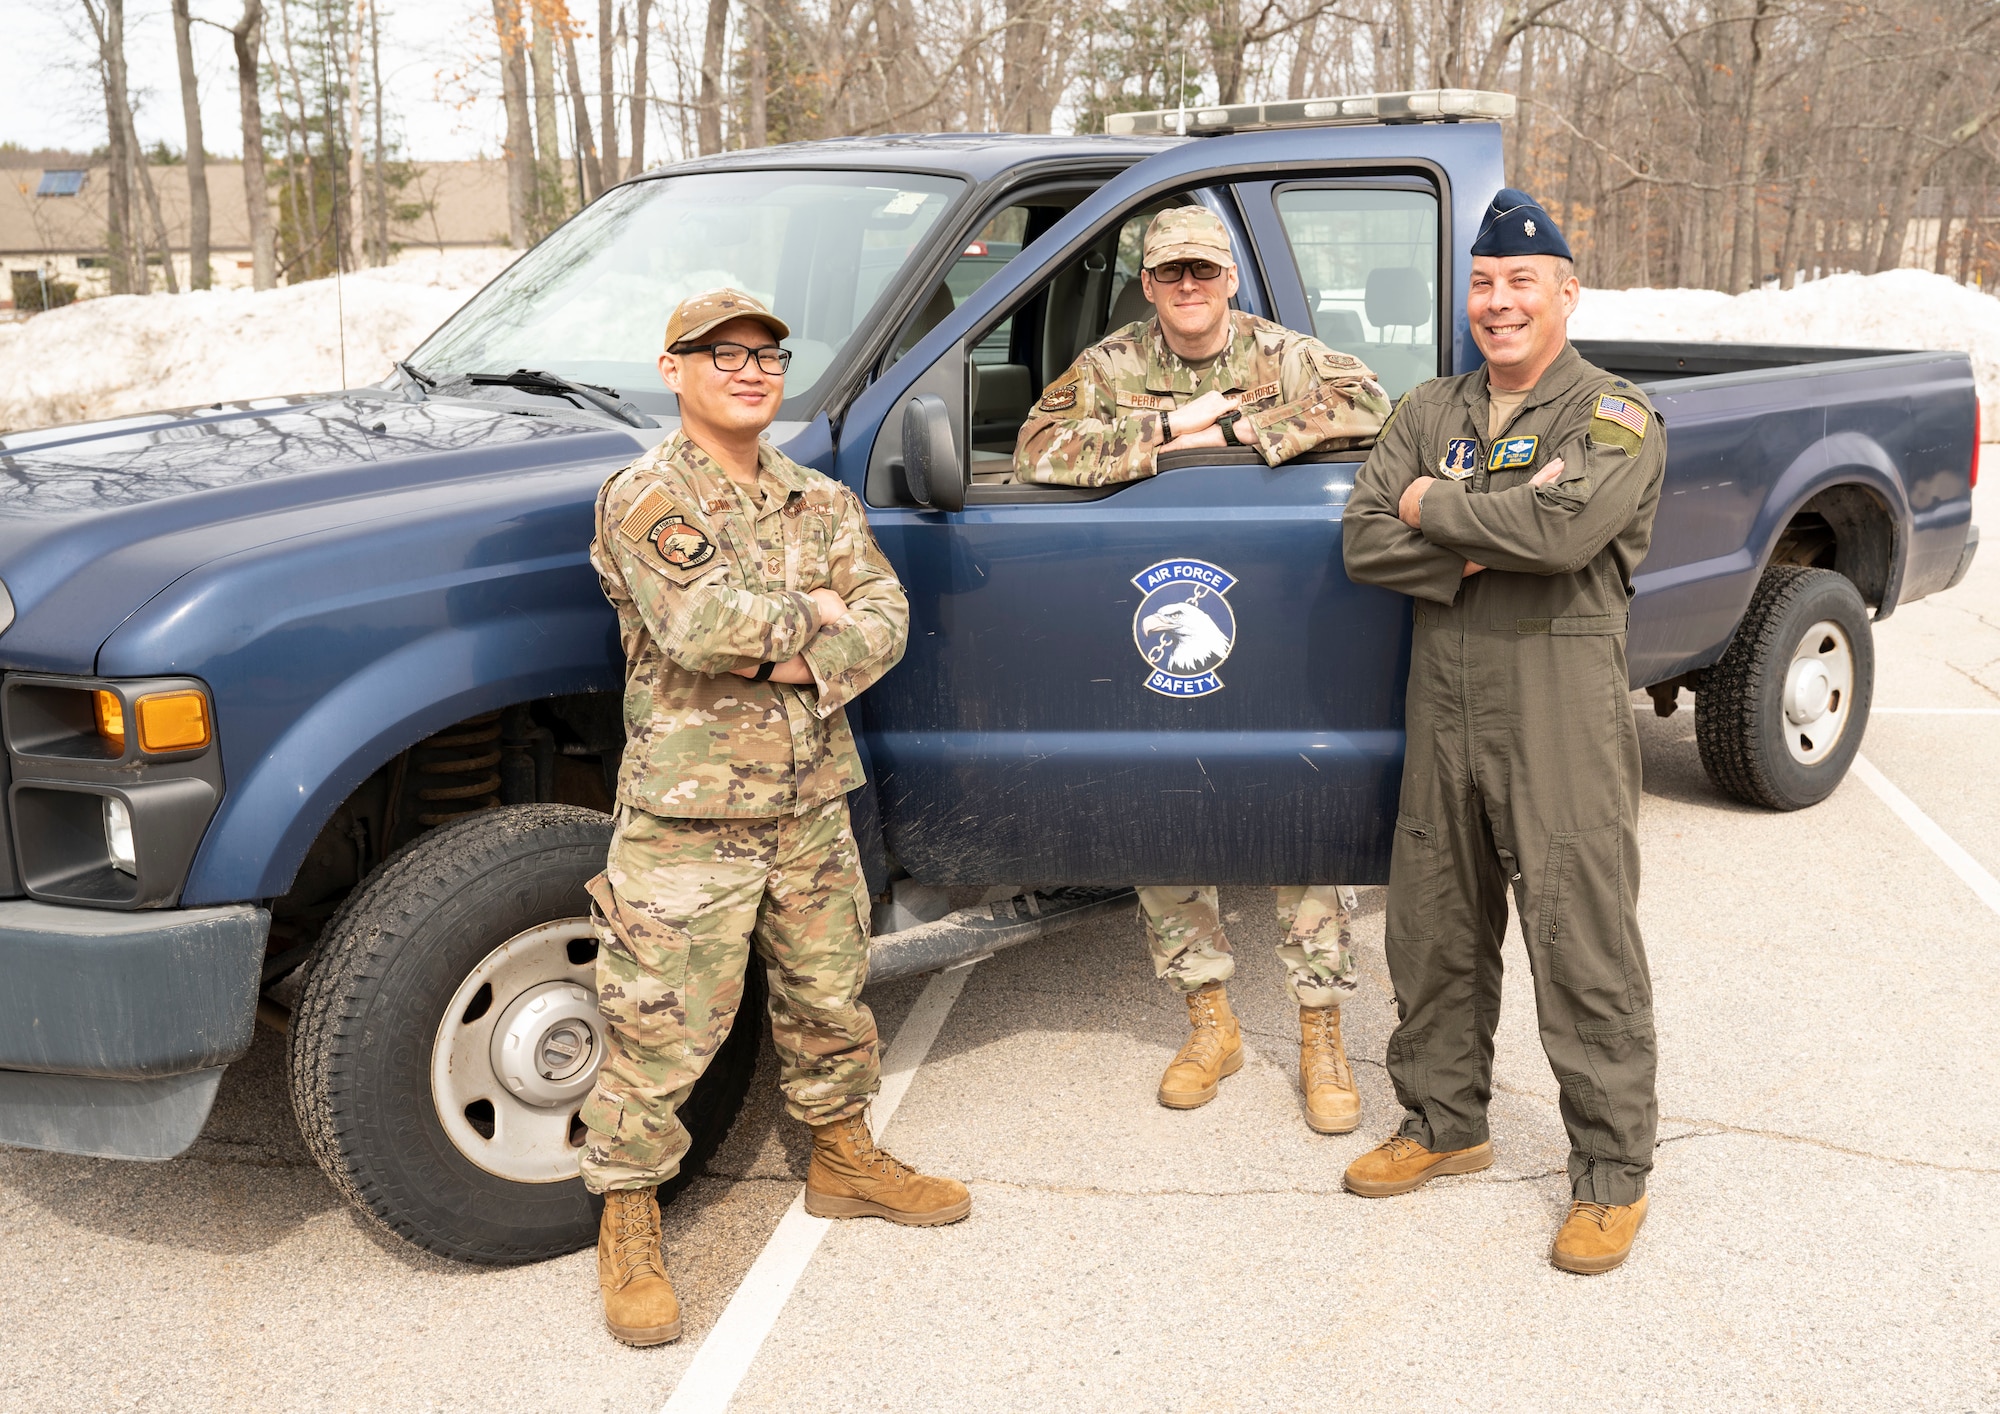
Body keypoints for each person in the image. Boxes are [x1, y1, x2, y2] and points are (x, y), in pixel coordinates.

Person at [580, 288, 969, 1346]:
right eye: (721, 353)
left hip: (807, 801)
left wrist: (797, 646)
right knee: (659, 1023)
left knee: (828, 994)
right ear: (673, 369)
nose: (749, 369)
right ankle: (626, 1214)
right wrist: (811, 623)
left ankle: (841, 1158)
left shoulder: (820, 499)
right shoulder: (645, 494)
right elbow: (698, 621)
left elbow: (885, 618)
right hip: (689, 813)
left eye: (766, 353)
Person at [1340, 189, 1667, 1275]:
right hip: (1443, 705)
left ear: (1565, 291)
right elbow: (1357, 541)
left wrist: (1431, 512)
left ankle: (1610, 1174)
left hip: (1556, 706)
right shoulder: (1426, 408)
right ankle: (1443, 1122)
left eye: (1520, 281)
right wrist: (1488, 537)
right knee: (1430, 928)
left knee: (1579, 939)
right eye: (1481, 283)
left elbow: (1565, 530)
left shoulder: (1610, 414)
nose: (1497, 301)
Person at [1014, 206, 1389, 1134]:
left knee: (1296, 813)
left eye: (1205, 273)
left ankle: (1321, 1033)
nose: (1190, 288)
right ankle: (1209, 1023)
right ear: (1148, 285)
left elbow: (1373, 406)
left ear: (1231, 281)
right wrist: (1167, 431)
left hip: (1273, 608)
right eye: (1172, 274)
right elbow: (1037, 449)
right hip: (1151, 612)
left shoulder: (1284, 356)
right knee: (1169, 812)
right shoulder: (1111, 367)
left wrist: (1237, 438)